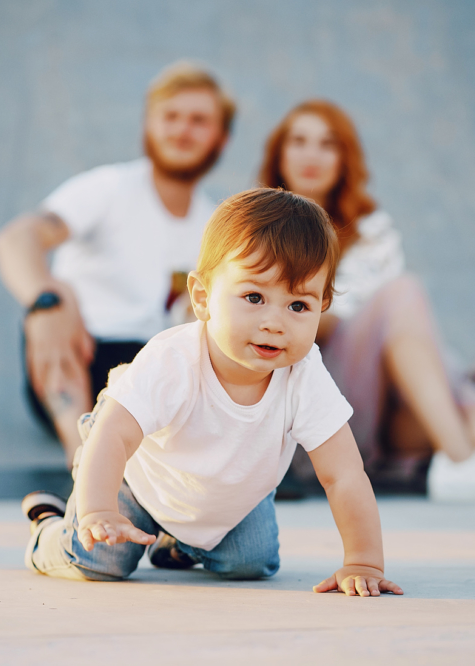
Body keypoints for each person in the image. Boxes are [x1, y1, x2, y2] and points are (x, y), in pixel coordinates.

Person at [20, 189, 403, 596]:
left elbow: (344, 474)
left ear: (321, 306)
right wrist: (98, 509)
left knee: (252, 564)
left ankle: (180, 543)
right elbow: (113, 435)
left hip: (224, 497)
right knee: (102, 558)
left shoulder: (304, 375)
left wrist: (363, 560)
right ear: (202, 298)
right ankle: (51, 527)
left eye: (298, 306)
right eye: (254, 297)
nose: (275, 322)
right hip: (135, 477)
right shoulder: (173, 359)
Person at [259, 100, 475, 501]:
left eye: (327, 144)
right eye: (299, 141)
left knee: (428, 377)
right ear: (279, 153)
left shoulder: (372, 232)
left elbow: (384, 336)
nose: (311, 155)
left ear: (344, 158)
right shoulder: (258, 229)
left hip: (386, 420)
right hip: (312, 414)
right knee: (404, 294)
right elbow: (318, 325)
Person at [0, 61, 234, 467]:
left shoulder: (215, 226)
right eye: (170, 117)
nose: (182, 129)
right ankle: (81, 457)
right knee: (56, 299)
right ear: (148, 126)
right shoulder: (109, 188)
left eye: (199, 120)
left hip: (155, 368)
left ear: (221, 138)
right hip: (82, 353)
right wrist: (44, 299)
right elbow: (16, 238)